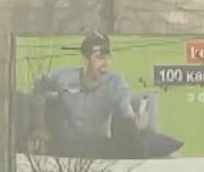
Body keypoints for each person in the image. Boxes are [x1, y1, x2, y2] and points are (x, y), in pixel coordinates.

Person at [31, 33, 182, 161]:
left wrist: (136, 125)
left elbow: (126, 119)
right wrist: (40, 126)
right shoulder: (63, 78)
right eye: (99, 58)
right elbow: (38, 86)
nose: (105, 64)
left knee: (138, 144)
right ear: (85, 60)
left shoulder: (116, 83)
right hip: (67, 144)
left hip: (99, 146)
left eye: (108, 58)